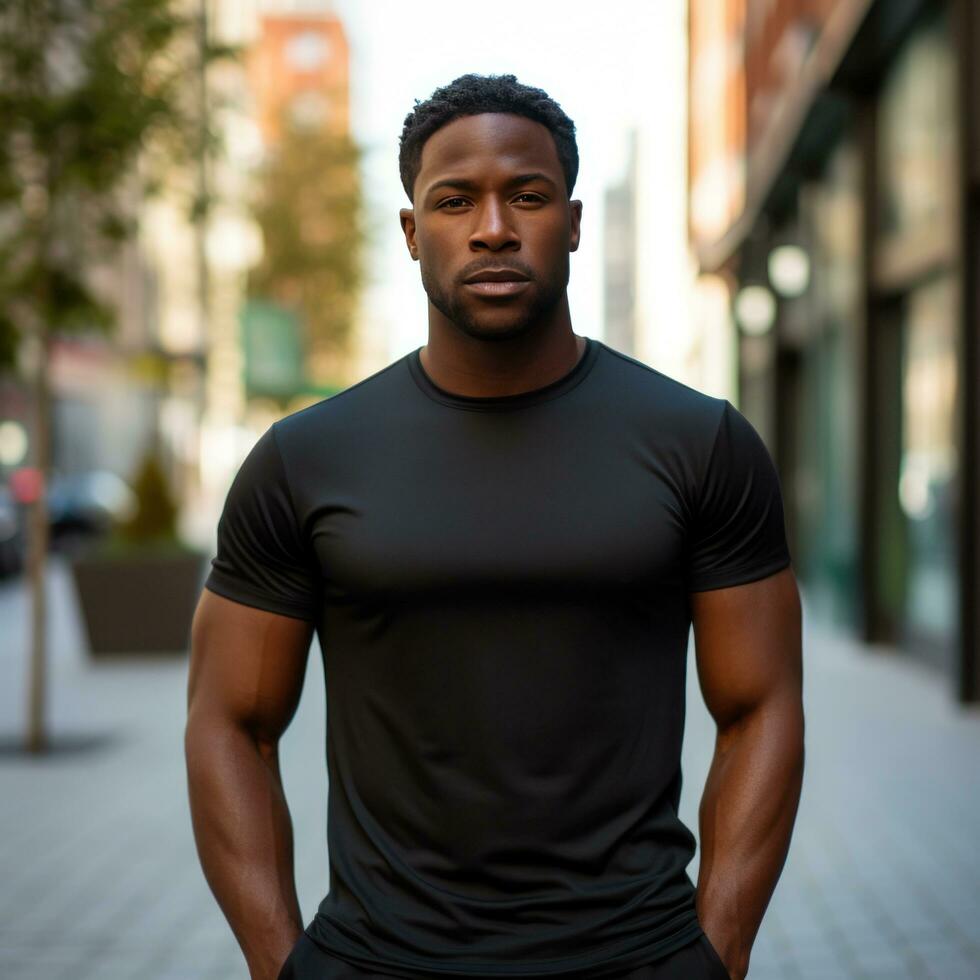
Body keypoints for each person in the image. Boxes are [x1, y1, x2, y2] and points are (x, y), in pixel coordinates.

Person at [185, 73, 804, 980]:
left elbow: (763, 705)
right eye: (453, 200)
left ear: (575, 222)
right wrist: (284, 967)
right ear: (410, 232)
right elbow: (226, 721)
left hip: (636, 957)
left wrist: (717, 955)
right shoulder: (306, 459)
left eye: (527, 195)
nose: (493, 228)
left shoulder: (699, 442)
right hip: (377, 962)